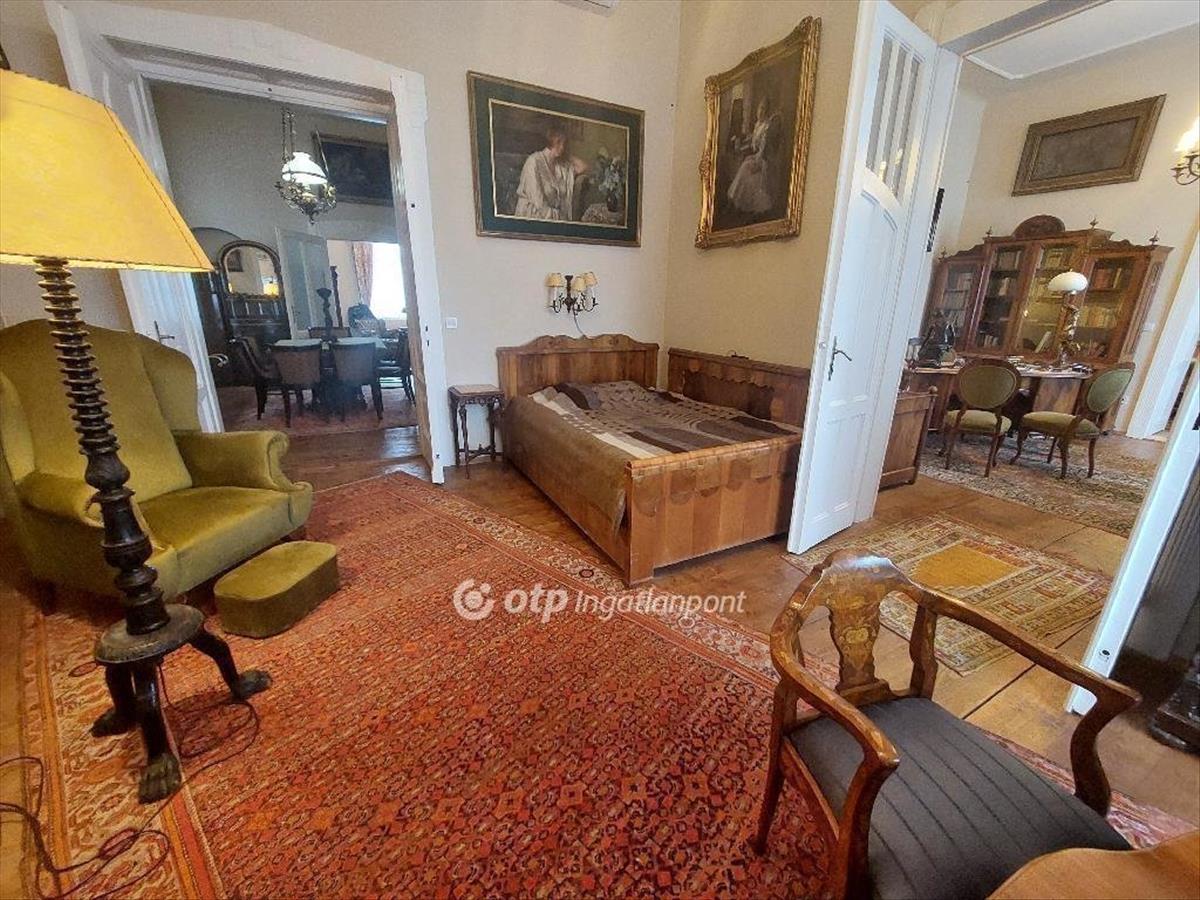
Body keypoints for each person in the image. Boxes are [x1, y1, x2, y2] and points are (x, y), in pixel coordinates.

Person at [514, 123, 587, 221]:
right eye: (558, 142)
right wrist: (556, 217)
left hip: (553, 216)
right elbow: (538, 201)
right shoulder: (534, 161)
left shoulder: (561, 166)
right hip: (532, 214)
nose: (562, 147)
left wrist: (567, 155)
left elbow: (583, 167)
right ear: (550, 141)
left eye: (564, 143)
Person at [727, 96, 781, 218]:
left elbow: (763, 149)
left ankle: (736, 204)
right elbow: (752, 142)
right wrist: (741, 145)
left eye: (763, 109)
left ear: (767, 111)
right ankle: (734, 203)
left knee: (746, 166)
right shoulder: (758, 124)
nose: (760, 112)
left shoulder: (767, 127)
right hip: (756, 155)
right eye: (759, 108)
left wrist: (757, 162)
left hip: (764, 160)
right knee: (745, 164)